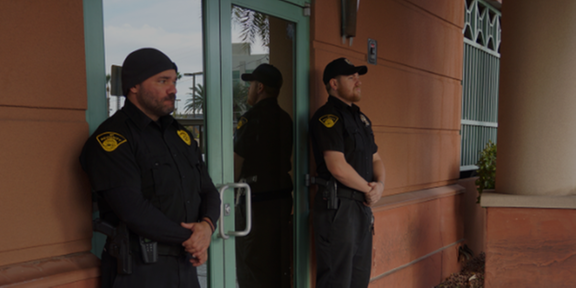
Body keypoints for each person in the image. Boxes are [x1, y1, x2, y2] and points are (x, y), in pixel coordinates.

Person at [80, 48, 220, 288]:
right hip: (139, 269)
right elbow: (133, 211)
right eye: (162, 81)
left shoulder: (179, 136)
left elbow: (208, 189)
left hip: (185, 265)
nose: (173, 89)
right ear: (134, 86)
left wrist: (207, 226)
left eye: (174, 81)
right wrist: (194, 238)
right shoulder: (113, 138)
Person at [309, 57, 386, 288]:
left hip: (361, 208)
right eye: (351, 77)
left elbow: (376, 158)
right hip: (338, 209)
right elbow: (336, 166)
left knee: (358, 280)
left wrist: (380, 186)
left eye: (358, 77)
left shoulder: (361, 120)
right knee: (337, 280)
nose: (358, 82)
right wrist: (369, 189)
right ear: (334, 83)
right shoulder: (328, 117)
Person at [233, 64, 293, 287]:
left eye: (250, 85)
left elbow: (235, 166)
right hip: (282, 201)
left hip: (255, 204)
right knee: (277, 263)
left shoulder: (250, 119)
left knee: (252, 265)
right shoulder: (285, 118)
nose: (248, 90)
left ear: (259, 87)